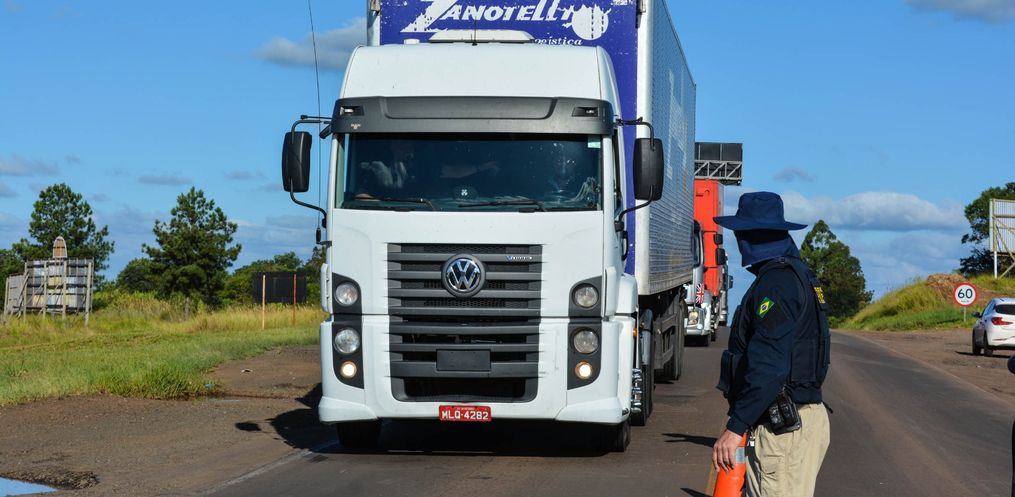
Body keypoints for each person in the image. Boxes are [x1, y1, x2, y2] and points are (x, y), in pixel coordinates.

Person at [711, 191, 831, 497]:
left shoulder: (776, 285)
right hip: (795, 422)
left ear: (749, 237)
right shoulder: (796, 275)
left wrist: (736, 426)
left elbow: (770, 362)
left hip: (784, 431)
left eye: (740, 233)